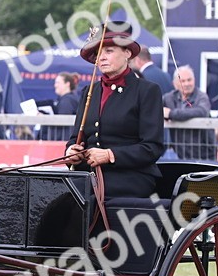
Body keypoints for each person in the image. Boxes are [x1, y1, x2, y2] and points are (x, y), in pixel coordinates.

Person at [65, 31, 165, 198]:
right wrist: (71, 151)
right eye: (98, 53)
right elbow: (76, 138)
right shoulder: (89, 92)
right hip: (89, 174)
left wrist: (110, 155)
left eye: (109, 51)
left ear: (127, 53)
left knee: (82, 195)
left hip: (131, 177)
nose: (101, 57)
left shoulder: (147, 91)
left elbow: (152, 148)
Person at [163, 66, 216, 161]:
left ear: (194, 80)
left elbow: (201, 111)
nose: (187, 84)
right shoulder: (168, 98)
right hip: (180, 153)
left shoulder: (202, 97)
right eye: (182, 81)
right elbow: (155, 110)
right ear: (175, 84)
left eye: (189, 80)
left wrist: (171, 114)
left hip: (204, 154)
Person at [39, 72, 79, 141]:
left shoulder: (67, 100)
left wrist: (44, 118)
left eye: (58, 82)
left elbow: (62, 120)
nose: (55, 85)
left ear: (67, 84)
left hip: (63, 141)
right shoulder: (68, 99)